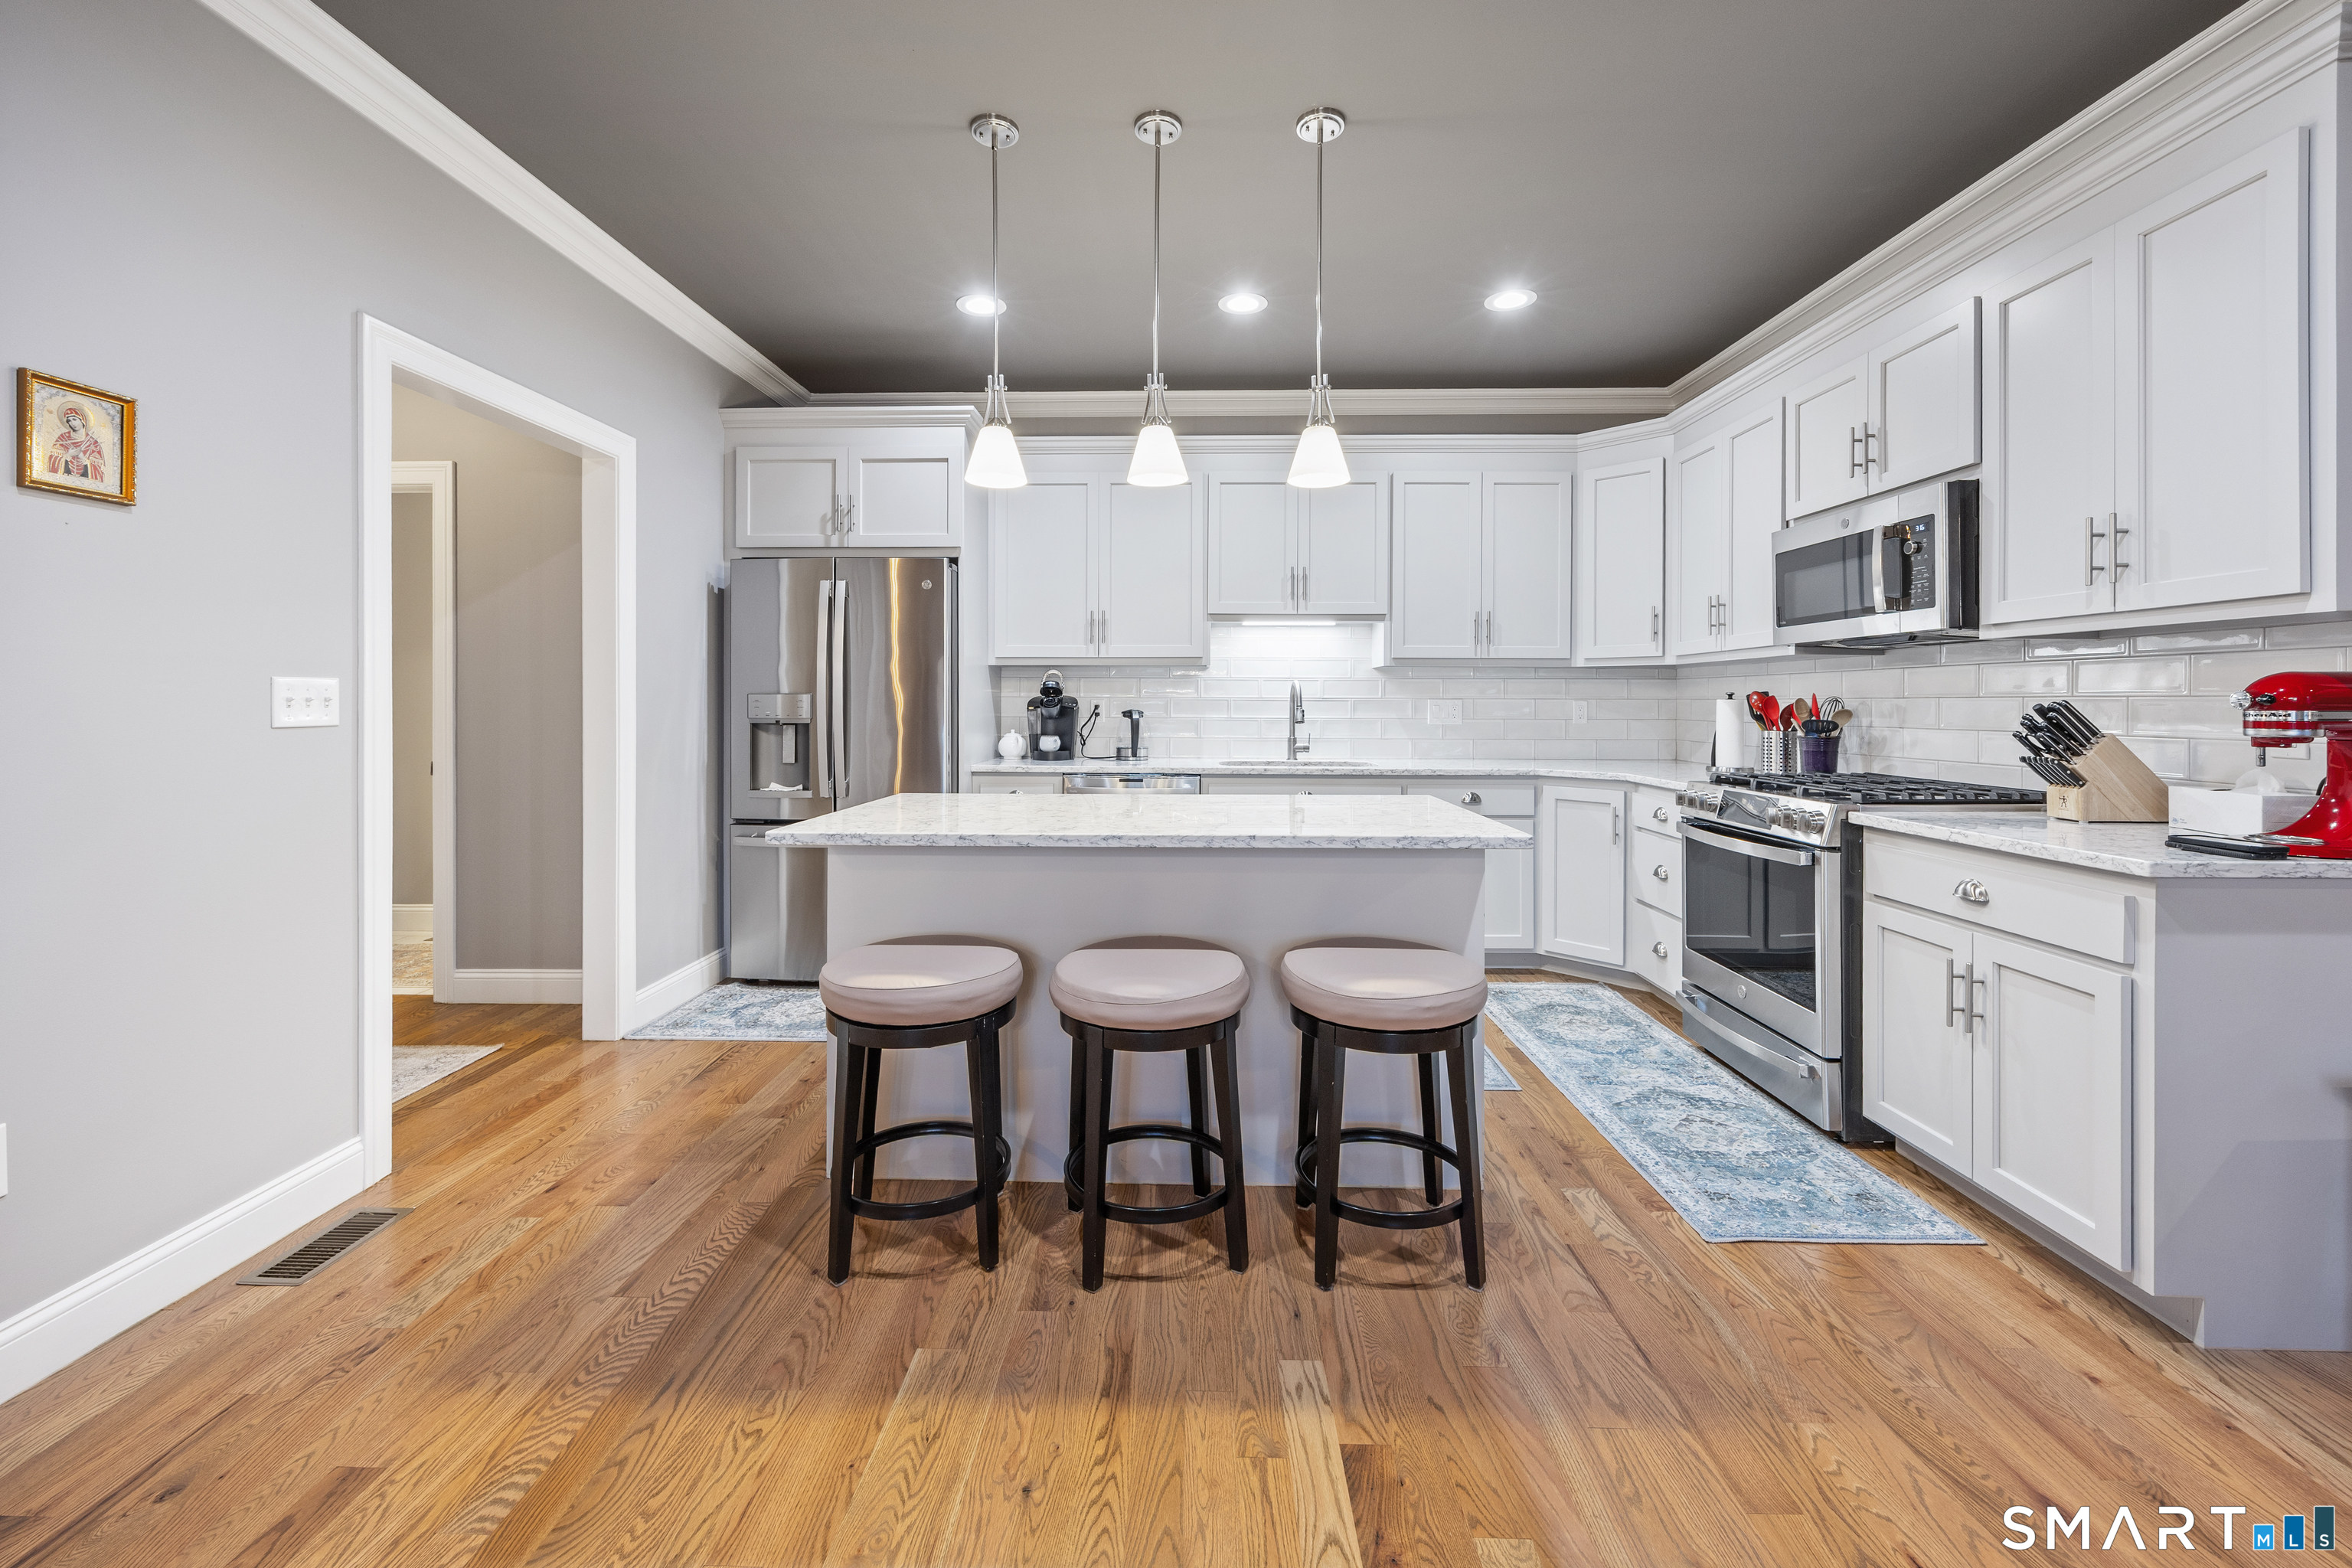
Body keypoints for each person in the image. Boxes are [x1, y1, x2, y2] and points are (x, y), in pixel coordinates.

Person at [46, 403, 106, 485]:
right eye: (69, 421)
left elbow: (98, 471)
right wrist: (68, 456)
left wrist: (82, 458)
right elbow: (53, 461)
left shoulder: (93, 443)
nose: (72, 423)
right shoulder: (63, 438)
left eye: (75, 419)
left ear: (82, 420)